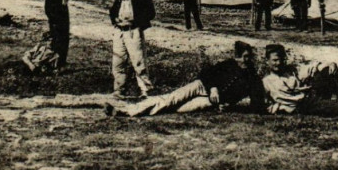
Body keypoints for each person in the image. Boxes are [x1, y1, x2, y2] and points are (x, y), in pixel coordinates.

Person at [106, 41, 264, 117]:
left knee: (177, 109)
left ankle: (135, 108)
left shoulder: (253, 78)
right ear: (236, 57)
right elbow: (206, 74)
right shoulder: (228, 64)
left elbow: (257, 105)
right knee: (171, 100)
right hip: (201, 86)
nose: (245, 61)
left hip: (212, 102)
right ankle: (126, 111)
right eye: (242, 57)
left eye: (248, 58)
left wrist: (230, 107)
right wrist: (213, 87)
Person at [261, 44, 338, 118]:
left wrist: (330, 64)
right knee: (337, 106)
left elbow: (311, 68)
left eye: (281, 60)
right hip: (302, 105)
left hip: (311, 95)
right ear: (267, 61)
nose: (279, 63)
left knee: (327, 71)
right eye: (275, 60)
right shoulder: (266, 81)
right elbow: (264, 102)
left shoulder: (291, 70)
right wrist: (277, 108)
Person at [109, 0, 155, 99]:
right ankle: (119, 89)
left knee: (138, 61)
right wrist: (115, 19)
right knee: (118, 61)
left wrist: (137, 22)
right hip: (119, 31)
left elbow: (151, 13)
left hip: (133, 31)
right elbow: (112, 11)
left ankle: (146, 90)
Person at [44, 0, 70, 68]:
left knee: (64, 42)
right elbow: (48, 10)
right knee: (57, 43)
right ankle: (55, 65)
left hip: (64, 22)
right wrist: (55, 21)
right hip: (56, 23)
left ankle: (61, 63)